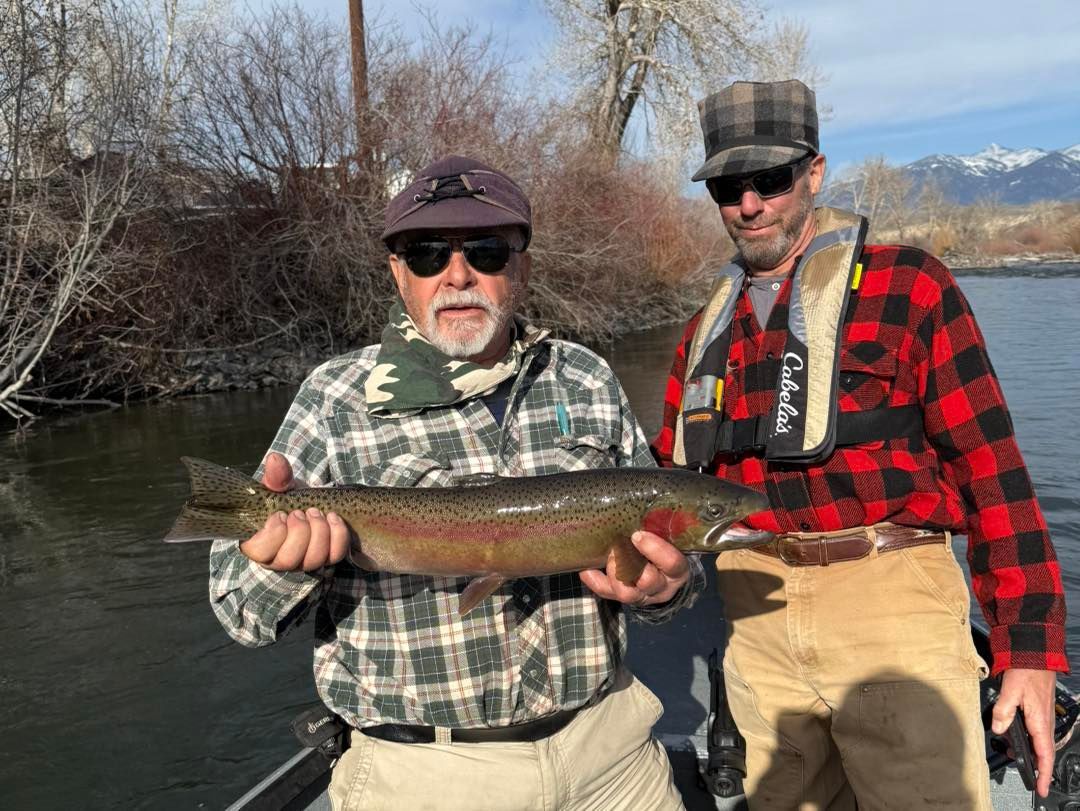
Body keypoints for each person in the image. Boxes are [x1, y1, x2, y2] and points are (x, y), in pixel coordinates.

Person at [209, 155, 705, 811]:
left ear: (521, 266)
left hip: (610, 758)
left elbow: (666, 567)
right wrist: (279, 562)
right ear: (397, 272)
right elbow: (237, 609)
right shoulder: (333, 399)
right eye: (426, 254)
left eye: (487, 250)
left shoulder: (585, 378)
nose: (458, 272)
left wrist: (665, 588)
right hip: (425, 779)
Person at [652, 79, 1068, 808]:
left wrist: (1026, 647)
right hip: (755, 622)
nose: (749, 205)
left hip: (894, 601)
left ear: (814, 173)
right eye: (728, 185)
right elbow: (667, 495)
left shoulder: (912, 287)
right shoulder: (698, 338)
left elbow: (992, 472)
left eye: (770, 179)